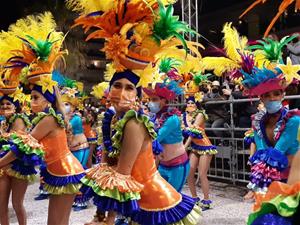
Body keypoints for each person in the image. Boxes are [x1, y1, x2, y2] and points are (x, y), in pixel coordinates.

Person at [81, 70, 201, 225]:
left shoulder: (134, 123)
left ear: (136, 96)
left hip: (154, 202)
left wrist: (108, 220)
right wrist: (100, 215)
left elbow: (121, 177)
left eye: (129, 88)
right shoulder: (113, 121)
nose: (122, 92)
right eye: (117, 85)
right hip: (137, 198)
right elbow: (107, 167)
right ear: (109, 91)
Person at [0, 12, 85, 225]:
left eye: (36, 97)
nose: (32, 102)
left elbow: (22, 147)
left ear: (47, 100)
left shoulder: (48, 119)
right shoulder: (48, 117)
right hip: (60, 171)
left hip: (65, 171)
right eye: (31, 98)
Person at [144, 82, 190, 192]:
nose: (150, 103)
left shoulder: (172, 119)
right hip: (163, 166)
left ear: (164, 101)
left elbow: (156, 137)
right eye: (150, 100)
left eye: (154, 99)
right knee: (161, 198)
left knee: (173, 199)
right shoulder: (155, 118)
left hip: (177, 166)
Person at [182, 96, 217, 210]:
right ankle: (194, 198)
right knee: (189, 173)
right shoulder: (184, 116)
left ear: (197, 105)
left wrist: (184, 147)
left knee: (202, 174)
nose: (190, 105)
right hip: (194, 147)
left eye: (193, 103)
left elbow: (193, 133)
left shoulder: (200, 114)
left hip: (205, 147)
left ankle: (206, 201)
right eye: (188, 103)